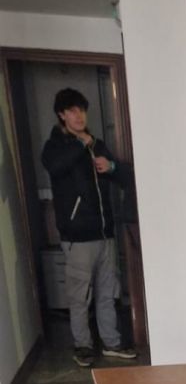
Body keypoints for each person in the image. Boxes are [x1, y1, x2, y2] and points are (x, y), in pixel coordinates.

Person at [42, 87, 137, 367]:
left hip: (105, 233)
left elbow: (126, 176)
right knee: (80, 296)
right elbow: (55, 167)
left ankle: (112, 343)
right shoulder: (55, 146)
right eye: (72, 110)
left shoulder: (97, 144)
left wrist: (112, 167)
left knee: (107, 293)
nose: (79, 115)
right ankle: (83, 346)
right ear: (61, 115)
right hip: (77, 237)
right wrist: (81, 144)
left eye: (82, 110)